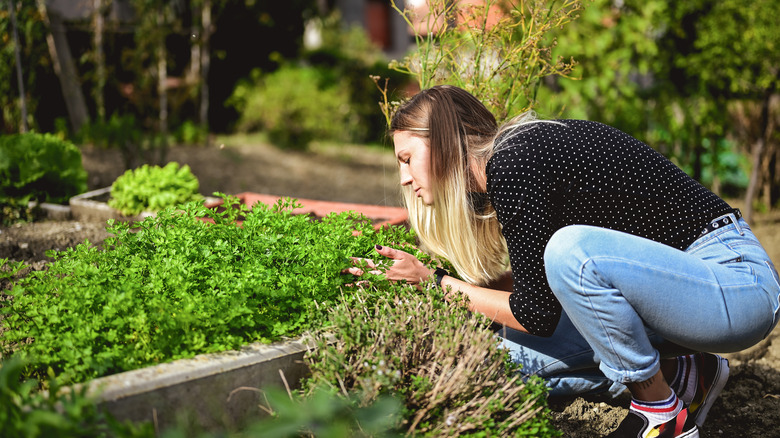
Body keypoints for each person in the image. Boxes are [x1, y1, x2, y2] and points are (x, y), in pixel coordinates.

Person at [346, 85, 780, 437]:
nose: (404, 177)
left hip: (734, 284)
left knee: (569, 251)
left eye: (407, 159)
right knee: (496, 359)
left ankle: (659, 411)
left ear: (442, 143)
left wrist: (435, 282)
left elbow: (535, 313)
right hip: (686, 297)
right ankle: (684, 376)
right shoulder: (513, 167)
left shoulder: (515, 162)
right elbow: (541, 298)